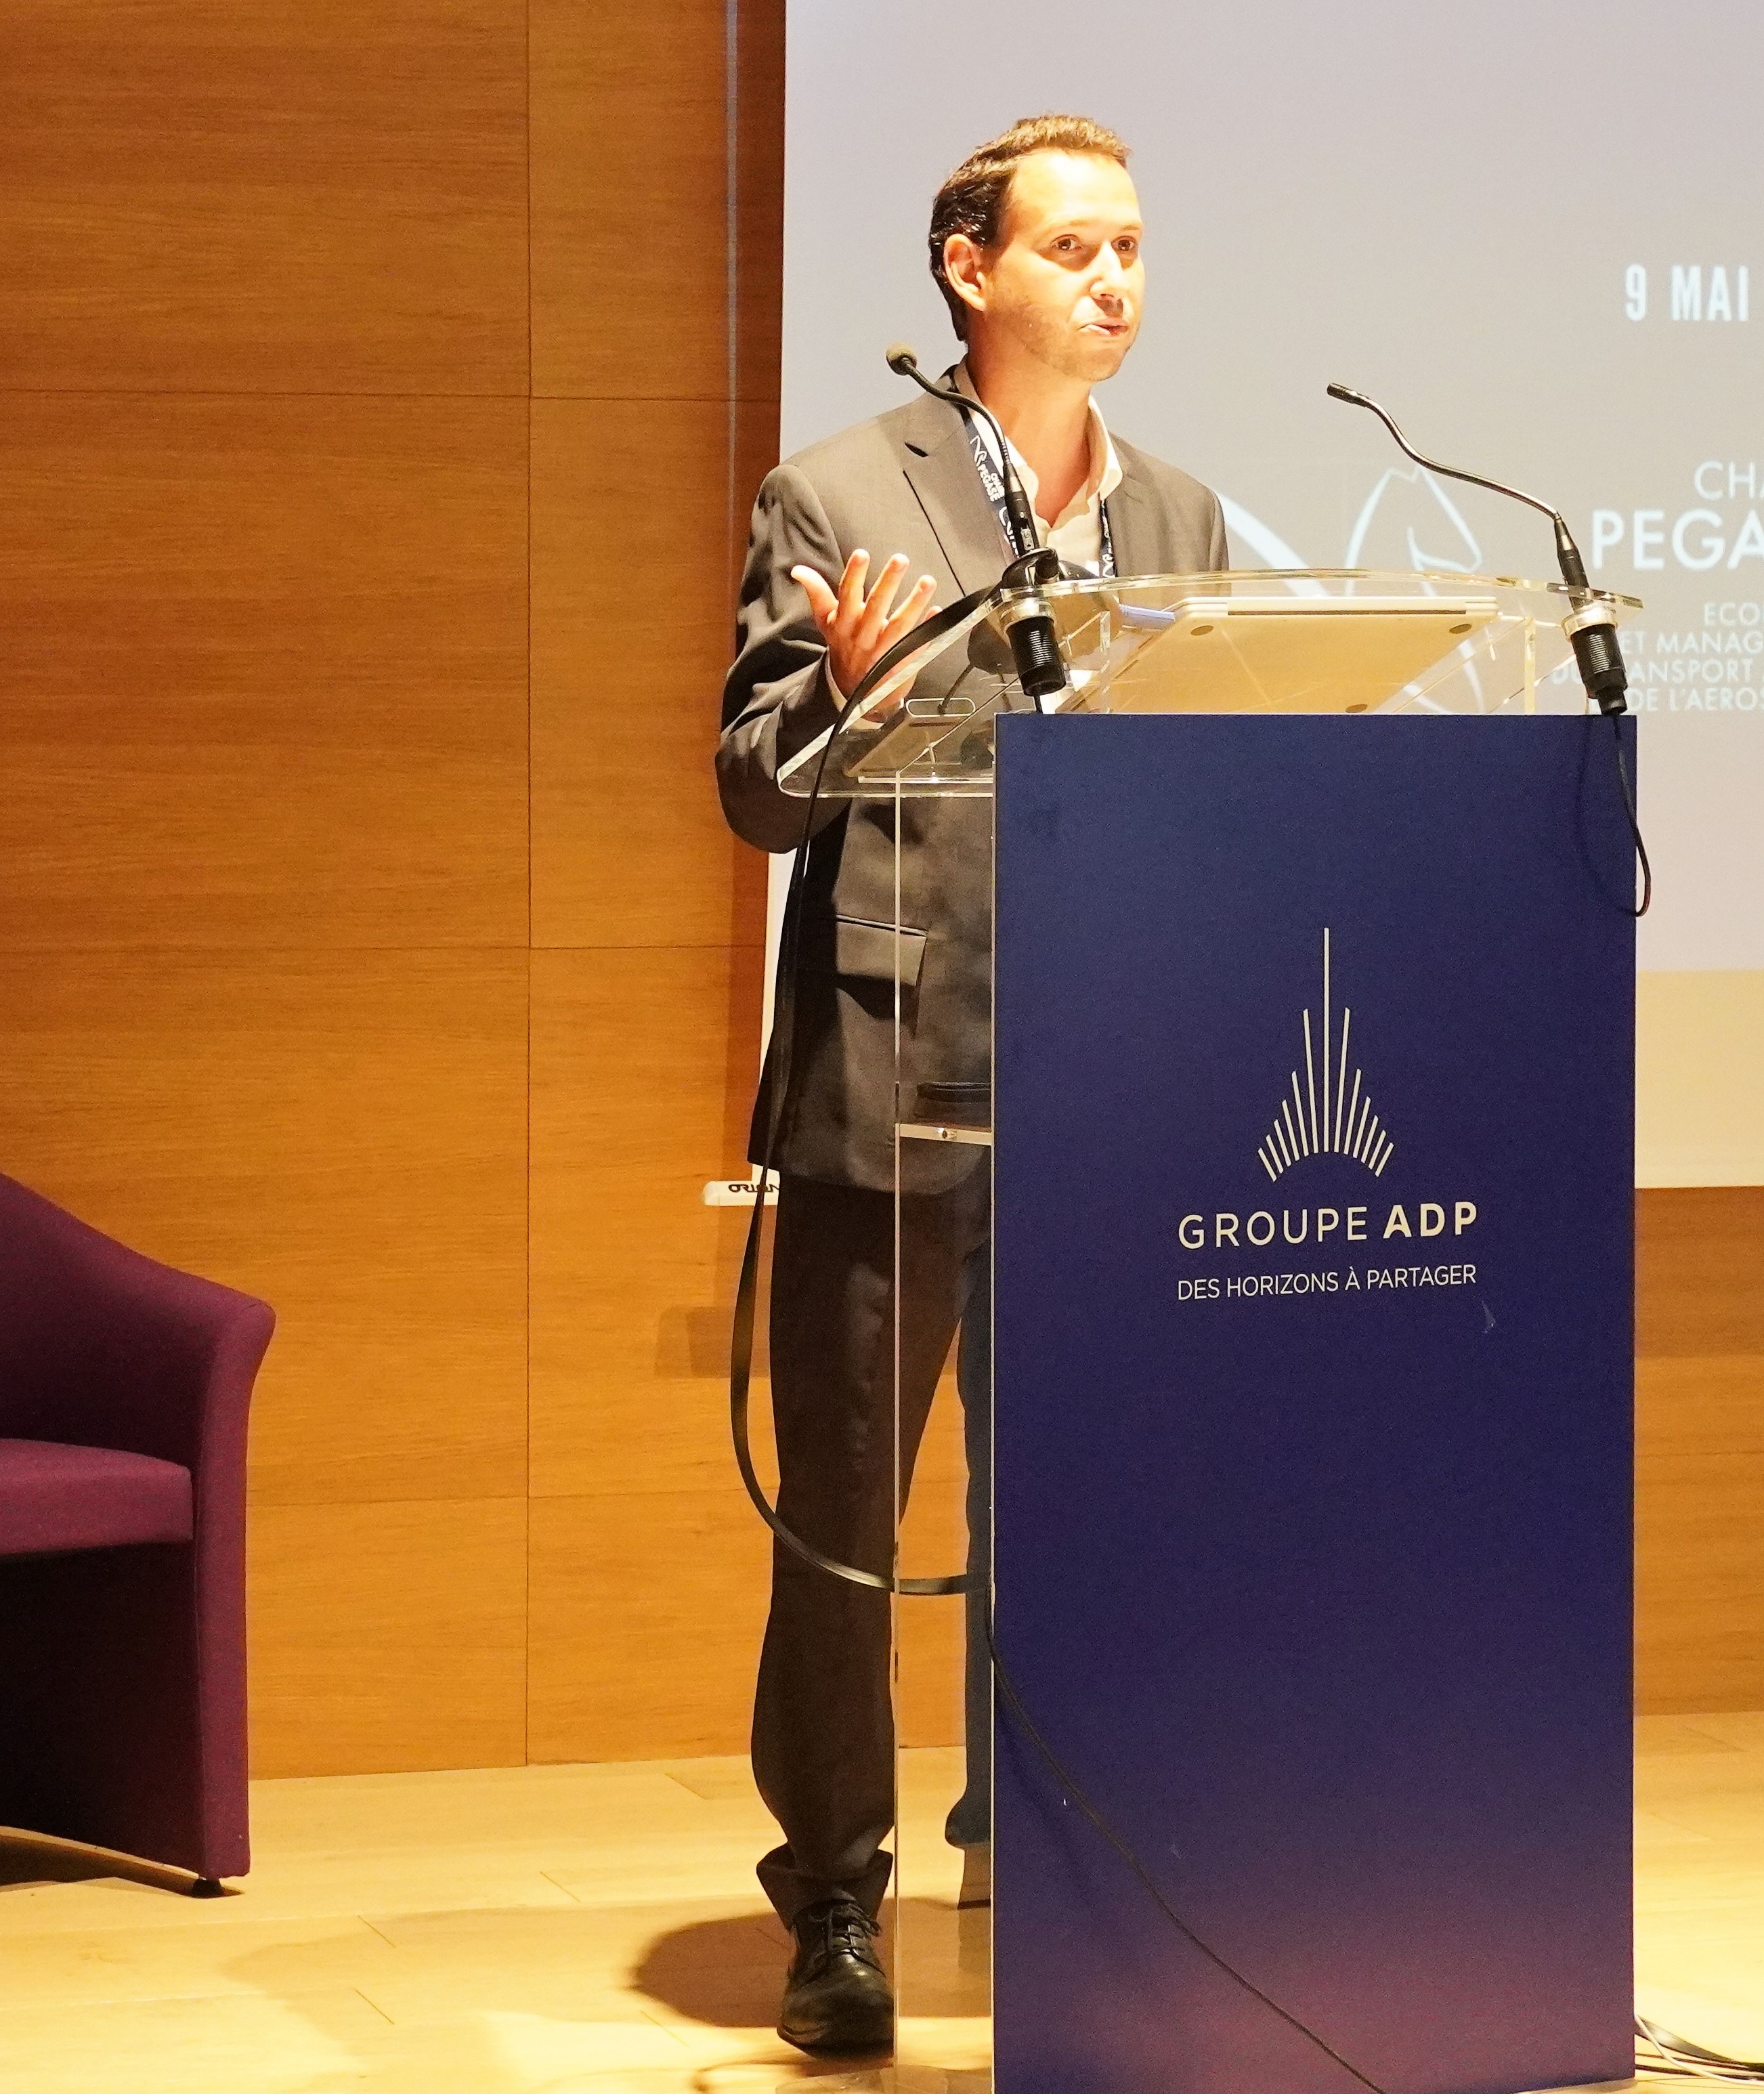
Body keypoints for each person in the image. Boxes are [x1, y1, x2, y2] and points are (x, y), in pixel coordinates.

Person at [714, 113, 1229, 2058]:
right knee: (849, 1514)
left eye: (1134, 247)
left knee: (1092, 1503)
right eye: (1078, 246)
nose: (1115, 279)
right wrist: (845, 696)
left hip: (1108, 1088)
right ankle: (834, 1895)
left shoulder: (1175, 514)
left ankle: (1067, 1856)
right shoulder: (839, 485)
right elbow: (759, 782)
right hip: (893, 1076)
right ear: (970, 268)